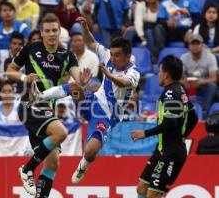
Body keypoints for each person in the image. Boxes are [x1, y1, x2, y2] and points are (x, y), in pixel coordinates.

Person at [30, 16, 140, 184]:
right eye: (112, 54)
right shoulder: (109, 57)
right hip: (93, 101)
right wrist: (85, 28)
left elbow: (124, 82)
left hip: (107, 117)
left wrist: (109, 75)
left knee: (90, 152)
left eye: (118, 56)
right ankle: (41, 96)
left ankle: (84, 165)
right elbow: (92, 43)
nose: (113, 58)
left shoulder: (133, 72)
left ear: (127, 56)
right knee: (75, 87)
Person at [6, 13, 84, 197]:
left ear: (60, 32)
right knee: (61, 132)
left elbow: (79, 79)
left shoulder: (66, 55)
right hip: (30, 104)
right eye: (47, 31)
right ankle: (27, 169)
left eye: (54, 30)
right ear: (42, 33)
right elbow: (10, 72)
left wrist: (84, 81)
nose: (51, 34)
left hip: (47, 108)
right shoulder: (31, 48)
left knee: (53, 162)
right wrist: (24, 77)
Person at [130, 55, 198, 198]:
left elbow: (170, 122)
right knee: (141, 188)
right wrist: (182, 136)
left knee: (153, 195)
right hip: (162, 151)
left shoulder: (170, 93)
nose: (158, 74)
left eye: (160, 71)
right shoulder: (181, 91)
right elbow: (194, 118)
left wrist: (145, 133)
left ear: (166, 74)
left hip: (170, 154)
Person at [181, 34, 218, 113]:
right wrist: (184, 81)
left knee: (212, 86)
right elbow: (179, 77)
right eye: (193, 44)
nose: (195, 46)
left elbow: (214, 78)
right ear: (189, 46)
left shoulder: (210, 57)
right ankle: (180, 111)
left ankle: (204, 111)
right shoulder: (183, 58)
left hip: (203, 87)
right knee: (177, 85)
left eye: (198, 43)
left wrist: (201, 81)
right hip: (188, 86)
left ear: (202, 45)